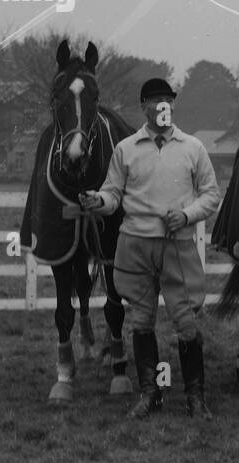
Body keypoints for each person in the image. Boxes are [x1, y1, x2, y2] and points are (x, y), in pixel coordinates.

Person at [80, 78, 222, 420]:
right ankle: (149, 394)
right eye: (155, 100)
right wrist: (98, 200)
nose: (162, 106)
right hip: (136, 245)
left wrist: (187, 214)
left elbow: (211, 195)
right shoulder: (126, 149)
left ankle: (195, 398)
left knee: (186, 321)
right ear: (143, 106)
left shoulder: (193, 148)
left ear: (173, 106)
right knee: (141, 319)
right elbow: (113, 195)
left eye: (168, 101)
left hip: (177, 247)